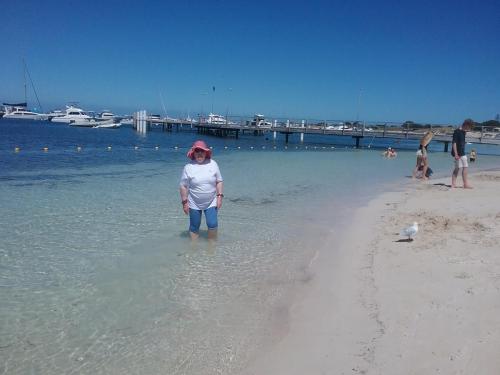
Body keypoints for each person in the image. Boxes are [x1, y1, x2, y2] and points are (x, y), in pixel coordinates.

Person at [180, 140, 224, 240]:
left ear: (206, 152)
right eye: (197, 151)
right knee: (194, 226)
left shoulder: (213, 164)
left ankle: (212, 249)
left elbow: (219, 181)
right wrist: (184, 202)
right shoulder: (188, 167)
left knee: (212, 224)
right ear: (193, 153)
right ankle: (193, 250)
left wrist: (220, 196)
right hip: (194, 202)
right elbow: (183, 186)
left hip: (211, 201)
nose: (199, 153)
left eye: (202, 151)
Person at [451, 119, 474, 188]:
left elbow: (462, 142)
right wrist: (455, 154)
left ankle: (465, 184)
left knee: (465, 167)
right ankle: (453, 184)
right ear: (466, 124)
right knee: (457, 168)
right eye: (469, 127)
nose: (469, 129)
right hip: (457, 153)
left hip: (463, 153)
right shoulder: (456, 131)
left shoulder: (464, 132)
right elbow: (454, 143)